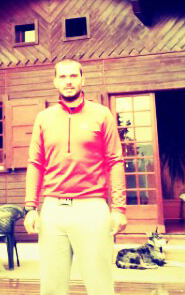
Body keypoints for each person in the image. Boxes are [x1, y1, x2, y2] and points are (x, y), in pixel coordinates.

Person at [24, 58, 127, 295]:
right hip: (53, 210)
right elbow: (35, 163)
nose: (68, 81)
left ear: (83, 79)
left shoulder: (101, 115)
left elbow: (115, 161)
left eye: (73, 76)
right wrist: (30, 207)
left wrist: (119, 208)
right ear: (55, 82)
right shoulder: (44, 118)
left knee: (100, 285)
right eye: (63, 76)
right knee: (51, 287)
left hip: (92, 208)